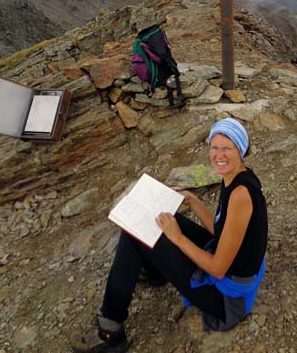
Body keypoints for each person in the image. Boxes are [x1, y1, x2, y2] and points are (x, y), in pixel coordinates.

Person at [71, 118, 268, 352]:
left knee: (136, 234)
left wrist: (178, 238)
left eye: (227, 148)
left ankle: (110, 332)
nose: (219, 155)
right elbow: (222, 231)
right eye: (214, 147)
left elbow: (217, 268)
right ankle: (155, 269)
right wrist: (193, 201)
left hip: (225, 298)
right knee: (158, 219)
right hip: (231, 262)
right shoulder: (236, 176)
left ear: (240, 150)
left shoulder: (241, 194)